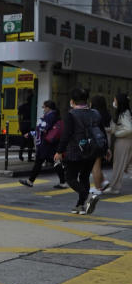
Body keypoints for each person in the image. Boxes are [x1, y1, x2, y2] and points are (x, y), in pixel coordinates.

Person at [55, 87, 106, 215]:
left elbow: (66, 135)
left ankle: (87, 196)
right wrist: (107, 149)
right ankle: (80, 206)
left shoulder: (71, 115)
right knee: (84, 177)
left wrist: (59, 151)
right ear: (86, 100)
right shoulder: (95, 113)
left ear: (72, 101)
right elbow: (102, 132)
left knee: (70, 177)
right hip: (93, 150)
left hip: (76, 151)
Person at [19, 100, 68, 189]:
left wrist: (31, 132)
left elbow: (42, 129)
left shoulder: (50, 116)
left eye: (44, 107)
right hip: (50, 143)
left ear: (48, 108)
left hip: (46, 144)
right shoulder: (54, 115)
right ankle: (62, 182)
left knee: (42, 162)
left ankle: (30, 181)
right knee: (51, 161)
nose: (43, 109)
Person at [105, 93, 132, 194]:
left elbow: (129, 129)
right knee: (128, 166)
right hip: (128, 142)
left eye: (115, 100)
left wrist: (117, 134)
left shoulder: (123, 114)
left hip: (123, 143)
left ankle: (114, 188)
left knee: (118, 166)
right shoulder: (126, 112)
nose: (114, 102)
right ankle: (114, 187)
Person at [89, 95, 113, 194]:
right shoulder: (106, 114)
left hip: (96, 142)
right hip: (104, 141)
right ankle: (103, 181)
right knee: (97, 164)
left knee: (95, 166)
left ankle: (98, 188)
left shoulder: (94, 114)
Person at [17, 91, 35, 162]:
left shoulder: (22, 106)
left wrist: (19, 126)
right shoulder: (33, 107)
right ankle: (29, 158)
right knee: (30, 142)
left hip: (23, 125)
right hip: (30, 125)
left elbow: (19, 117)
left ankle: (20, 154)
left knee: (23, 140)